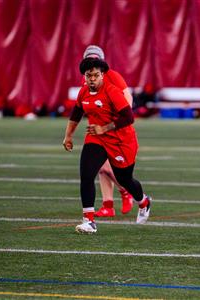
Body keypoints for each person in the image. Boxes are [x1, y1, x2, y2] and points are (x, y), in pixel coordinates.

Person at [63, 57, 152, 233]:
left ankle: (143, 201)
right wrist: (68, 136)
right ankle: (89, 221)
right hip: (97, 138)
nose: (92, 79)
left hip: (121, 140)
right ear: (85, 76)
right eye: (89, 76)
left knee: (125, 179)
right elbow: (76, 115)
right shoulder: (83, 93)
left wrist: (104, 128)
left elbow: (129, 117)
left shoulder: (112, 91)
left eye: (96, 75)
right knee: (87, 175)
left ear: (103, 75)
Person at [81, 45, 134, 218]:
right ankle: (108, 205)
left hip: (114, 130)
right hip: (97, 130)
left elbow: (128, 99)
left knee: (106, 167)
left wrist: (115, 123)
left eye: (95, 59)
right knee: (101, 168)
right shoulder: (88, 78)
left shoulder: (113, 76)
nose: (92, 63)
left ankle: (125, 191)